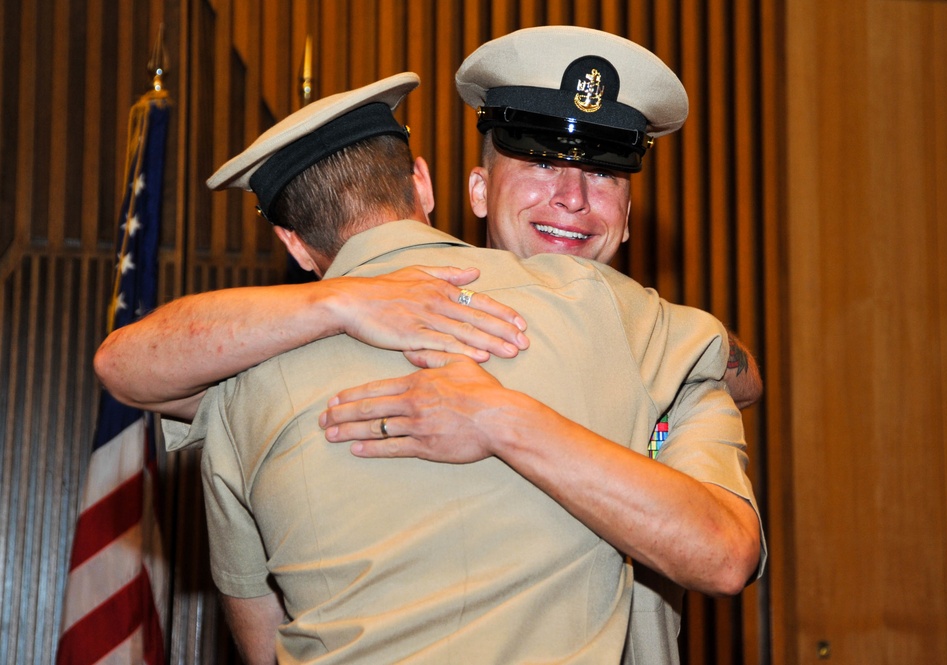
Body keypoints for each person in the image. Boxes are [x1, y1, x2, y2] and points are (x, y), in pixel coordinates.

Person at [94, 27, 764, 664]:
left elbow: (728, 516)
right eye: (538, 162)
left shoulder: (655, 333)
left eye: (604, 175)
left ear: (626, 213)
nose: (571, 198)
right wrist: (342, 301)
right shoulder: (288, 341)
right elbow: (129, 363)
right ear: (459, 190)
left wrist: (500, 418)